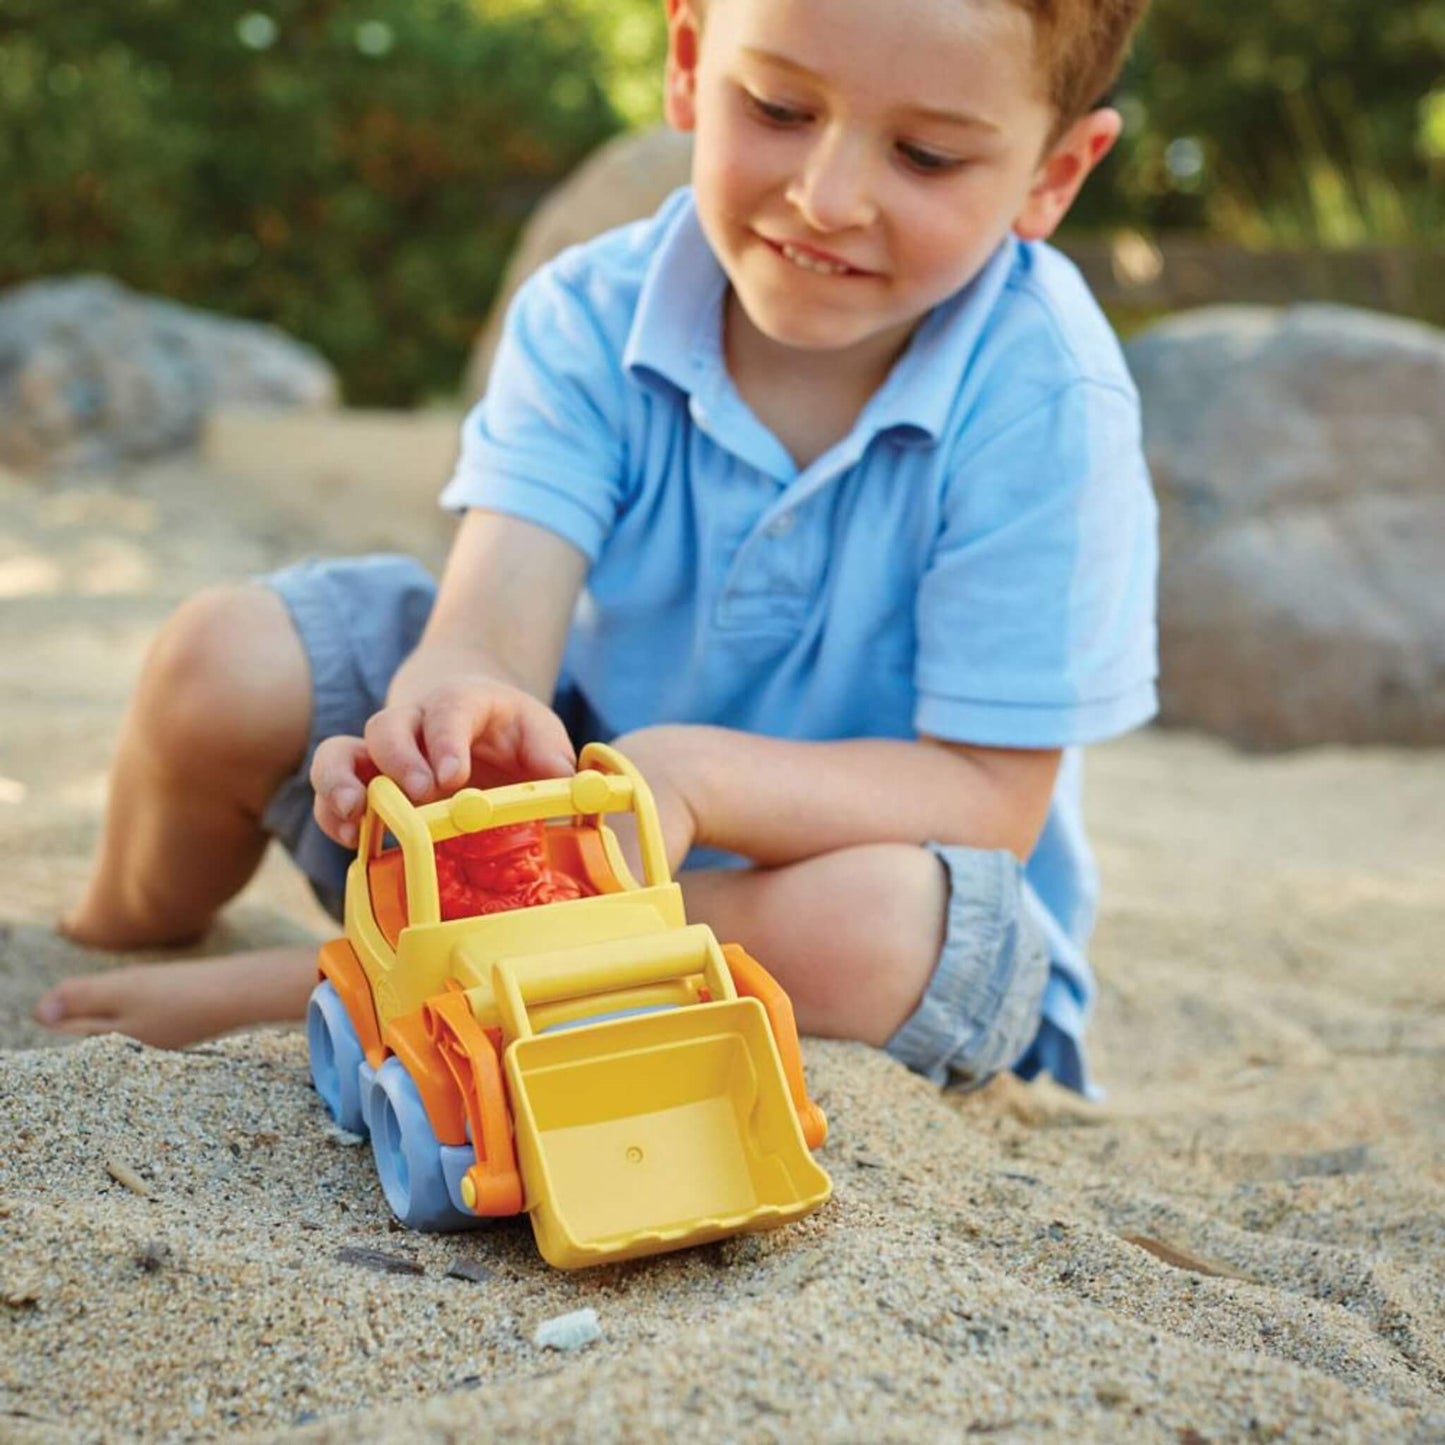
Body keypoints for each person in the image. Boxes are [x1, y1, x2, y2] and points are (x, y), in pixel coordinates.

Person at [37, 0, 1157, 1093]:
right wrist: (454, 722)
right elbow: (486, 636)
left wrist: (690, 781)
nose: (826, 197)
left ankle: (319, 982)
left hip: (832, 914)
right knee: (223, 655)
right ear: (685, 56)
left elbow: (985, 796)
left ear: (1052, 174)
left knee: (883, 921)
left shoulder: (1044, 394)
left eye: (922, 154)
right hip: (558, 838)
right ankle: (117, 936)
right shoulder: (589, 311)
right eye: (776, 106)